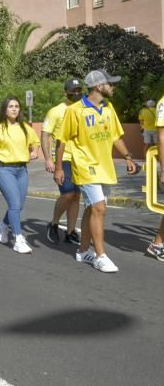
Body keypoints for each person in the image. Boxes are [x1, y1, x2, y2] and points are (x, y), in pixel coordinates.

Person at [55, 69, 139, 273]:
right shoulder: (75, 110)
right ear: (99, 86)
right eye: (110, 83)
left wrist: (128, 157)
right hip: (85, 166)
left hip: (105, 167)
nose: (113, 87)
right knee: (100, 208)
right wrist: (58, 167)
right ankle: (100, 255)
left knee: (92, 209)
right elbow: (62, 140)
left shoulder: (109, 109)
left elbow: (115, 137)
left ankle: (83, 251)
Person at [0, 98, 41, 255]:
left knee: (19, 205)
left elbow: (35, 142)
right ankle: (18, 239)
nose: (14, 109)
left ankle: (2, 225)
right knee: (15, 203)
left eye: (16, 106)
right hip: (4, 170)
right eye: (11, 107)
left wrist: (35, 151)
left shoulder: (25, 128)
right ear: (5, 110)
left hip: (22, 170)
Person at [41, 78, 83, 245]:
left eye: (80, 89)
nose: (77, 93)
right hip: (63, 158)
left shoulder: (84, 109)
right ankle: (53, 224)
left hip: (80, 159)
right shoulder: (55, 111)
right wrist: (48, 159)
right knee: (67, 194)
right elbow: (45, 134)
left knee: (76, 196)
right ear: (66, 93)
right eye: (74, 90)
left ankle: (71, 231)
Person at [144, 93, 164, 261]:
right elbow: (161, 137)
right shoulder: (163, 103)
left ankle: (157, 244)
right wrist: (163, 170)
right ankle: (156, 244)